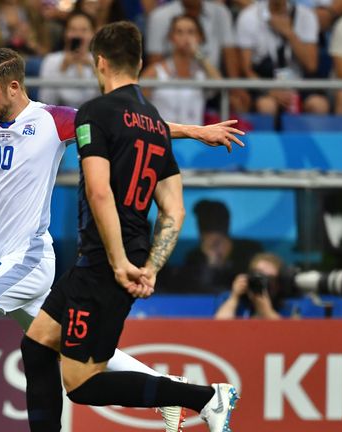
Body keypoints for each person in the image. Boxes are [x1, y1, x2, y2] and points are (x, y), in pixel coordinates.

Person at [0, 46, 244, 432]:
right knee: (67, 347)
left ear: (13, 87)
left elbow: (130, 129)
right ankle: (180, 392)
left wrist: (196, 131)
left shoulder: (52, 121)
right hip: (1, 262)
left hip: (28, 259)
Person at [20, 22, 239, 432]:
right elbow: (174, 211)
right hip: (118, 257)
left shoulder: (94, 113)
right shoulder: (155, 124)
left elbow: (100, 193)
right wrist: (151, 266)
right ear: (139, 63)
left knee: (82, 383)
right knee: (35, 345)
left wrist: (121, 263)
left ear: (99, 62)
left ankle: (205, 397)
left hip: (107, 260)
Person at [236, 0, 330, 115]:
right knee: (267, 106)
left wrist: (289, 33)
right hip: (264, 82)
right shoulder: (249, 16)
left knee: (319, 105)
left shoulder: (306, 16)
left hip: (298, 83)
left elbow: (311, 65)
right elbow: (247, 70)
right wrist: (269, 91)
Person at [140, 14, 221, 126]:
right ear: (171, 37)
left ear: (199, 37)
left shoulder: (202, 74)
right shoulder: (155, 72)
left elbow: (219, 85)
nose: (185, 37)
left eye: (191, 32)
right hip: (164, 139)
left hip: (194, 140)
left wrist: (199, 55)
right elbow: (138, 105)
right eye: (179, 32)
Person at [174, 199, 263, 294]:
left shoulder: (249, 251)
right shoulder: (195, 257)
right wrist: (209, 264)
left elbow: (254, 283)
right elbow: (189, 290)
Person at [38, 11, 100, 108]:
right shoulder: (51, 60)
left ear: (92, 34)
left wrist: (94, 68)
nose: (78, 35)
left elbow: (104, 99)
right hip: (61, 117)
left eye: (84, 30)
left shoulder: (99, 60)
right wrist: (62, 69)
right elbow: (46, 100)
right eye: (73, 29)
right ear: (65, 33)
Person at [215, 252, 285, 319]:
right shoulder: (228, 298)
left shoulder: (285, 305)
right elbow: (219, 326)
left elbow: (286, 330)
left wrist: (267, 312)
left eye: (270, 278)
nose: (263, 282)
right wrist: (234, 297)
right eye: (259, 275)